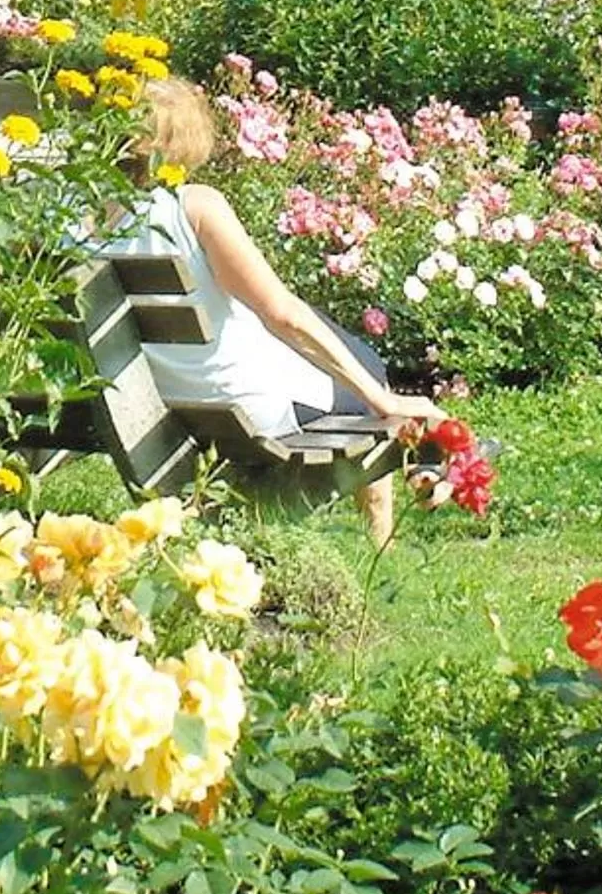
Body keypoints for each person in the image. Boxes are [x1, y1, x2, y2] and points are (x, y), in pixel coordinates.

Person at [114, 78, 446, 547]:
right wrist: (384, 400)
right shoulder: (192, 207)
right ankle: (385, 528)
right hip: (240, 408)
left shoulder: (75, 212)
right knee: (365, 370)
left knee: (330, 344)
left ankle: (416, 480)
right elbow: (281, 314)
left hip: (150, 401)